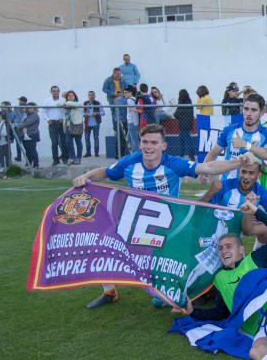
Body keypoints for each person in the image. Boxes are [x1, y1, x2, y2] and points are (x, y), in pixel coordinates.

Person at [72, 123, 236, 309]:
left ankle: (197, 289)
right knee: (103, 241)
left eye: (154, 142)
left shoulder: (173, 164)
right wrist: (86, 176)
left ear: (163, 146)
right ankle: (109, 292)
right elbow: (104, 172)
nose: (149, 146)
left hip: (170, 225)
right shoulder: (130, 163)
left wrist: (238, 162)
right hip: (135, 223)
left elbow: (208, 168)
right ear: (140, 144)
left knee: (195, 244)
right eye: (145, 142)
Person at [206, 94, 267, 181]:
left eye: (253, 110)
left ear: (261, 113)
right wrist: (203, 173)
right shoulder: (229, 130)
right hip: (227, 185)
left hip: (252, 188)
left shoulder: (266, 134)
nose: (249, 114)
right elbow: (213, 153)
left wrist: (246, 145)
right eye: (246, 109)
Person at [44, 85, 66, 165]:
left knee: (63, 142)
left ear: (59, 92)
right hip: (52, 123)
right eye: (54, 91)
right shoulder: (47, 101)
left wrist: (63, 118)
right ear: (51, 92)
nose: (55, 92)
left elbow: (65, 111)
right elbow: (44, 112)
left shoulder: (63, 100)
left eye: (57, 91)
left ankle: (65, 158)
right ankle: (55, 160)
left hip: (61, 122)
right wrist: (48, 119)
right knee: (54, 142)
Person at [62, 90, 84, 165]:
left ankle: (78, 158)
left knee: (78, 142)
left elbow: (69, 104)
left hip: (77, 125)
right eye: (68, 96)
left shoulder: (78, 104)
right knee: (69, 142)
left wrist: (65, 102)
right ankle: (72, 157)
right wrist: (64, 102)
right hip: (68, 125)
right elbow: (58, 104)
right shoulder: (66, 104)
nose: (70, 97)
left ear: (75, 97)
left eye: (72, 95)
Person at [15, 103, 40, 169]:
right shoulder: (26, 115)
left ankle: (36, 164)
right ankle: (29, 163)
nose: (28, 109)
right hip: (24, 135)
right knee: (27, 150)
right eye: (28, 108)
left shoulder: (35, 116)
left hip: (32, 135)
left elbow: (26, 123)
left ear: (34, 109)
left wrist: (18, 126)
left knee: (32, 150)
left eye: (30, 108)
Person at [174, 89, 195, 159]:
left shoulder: (181, 103)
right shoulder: (189, 103)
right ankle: (185, 155)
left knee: (183, 141)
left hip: (182, 124)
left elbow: (176, 114)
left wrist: (179, 115)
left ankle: (186, 155)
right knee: (184, 140)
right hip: (188, 124)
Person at [83, 91, 103, 158]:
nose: (91, 96)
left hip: (96, 123)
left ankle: (96, 153)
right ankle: (88, 153)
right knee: (86, 138)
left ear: (95, 96)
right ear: (88, 96)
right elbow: (82, 113)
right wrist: (85, 114)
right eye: (90, 95)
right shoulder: (85, 103)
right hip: (87, 123)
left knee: (96, 138)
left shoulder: (98, 103)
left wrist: (97, 113)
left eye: (92, 95)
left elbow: (103, 112)